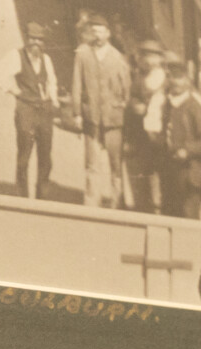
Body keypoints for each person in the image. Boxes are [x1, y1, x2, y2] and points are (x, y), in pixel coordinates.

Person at [0, 22, 60, 199]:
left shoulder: (46, 59)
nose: (36, 43)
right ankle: (22, 196)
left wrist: (52, 99)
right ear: (27, 39)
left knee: (45, 156)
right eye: (33, 39)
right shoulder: (17, 55)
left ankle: (42, 197)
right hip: (26, 109)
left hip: (44, 111)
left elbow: (52, 81)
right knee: (24, 155)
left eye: (40, 40)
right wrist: (14, 90)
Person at [72, 14, 131, 208]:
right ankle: (91, 204)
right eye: (94, 31)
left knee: (116, 165)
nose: (97, 35)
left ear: (108, 33)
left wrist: (119, 106)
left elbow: (126, 89)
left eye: (101, 31)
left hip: (113, 121)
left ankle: (116, 202)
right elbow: (76, 85)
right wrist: (78, 113)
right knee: (92, 165)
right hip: (91, 118)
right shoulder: (82, 54)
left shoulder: (117, 58)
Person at [156, 62, 201, 220]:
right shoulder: (167, 105)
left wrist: (187, 150)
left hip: (190, 172)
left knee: (188, 216)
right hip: (171, 171)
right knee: (169, 214)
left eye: (179, 78)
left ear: (188, 81)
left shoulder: (194, 108)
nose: (175, 82)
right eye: (171, 77)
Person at [123, 40, 166, 214]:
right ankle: (143, 206)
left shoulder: (164, 78)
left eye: (153, 56)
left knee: (157, 170)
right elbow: (132, 96)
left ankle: (158, 206)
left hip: (157, 132)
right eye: (146, 56)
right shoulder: (139, 76)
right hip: (139, 132)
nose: (149, 61)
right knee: (141, 168)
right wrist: (135, 105)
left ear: (159, 59)